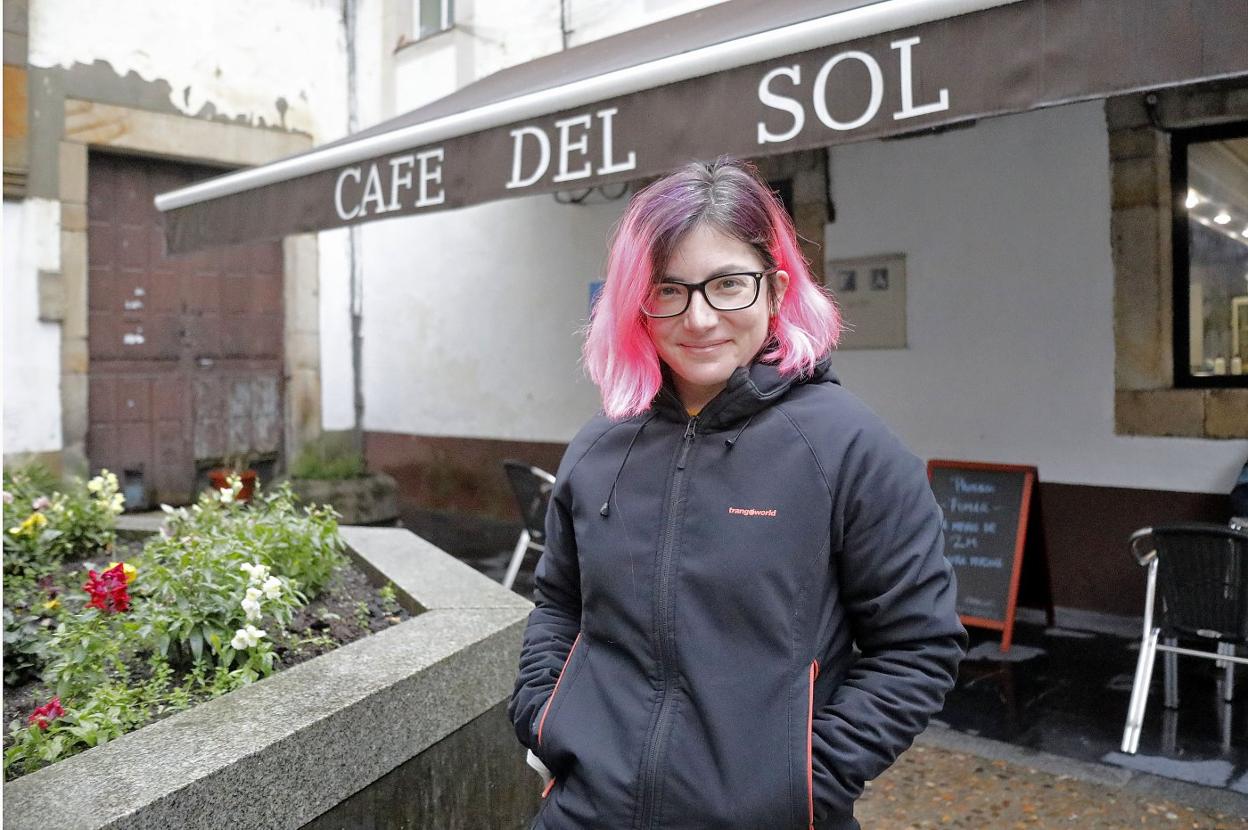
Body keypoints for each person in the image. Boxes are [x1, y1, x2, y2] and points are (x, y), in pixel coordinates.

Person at [508, 157, 967, 830]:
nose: (698, 319)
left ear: (776, 289)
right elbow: (559, 603)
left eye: (728, 284)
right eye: (668, 289)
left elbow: (917, 647)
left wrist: (803, 782)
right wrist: (544, 713)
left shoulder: (849, 450)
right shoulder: (598, 447)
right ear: (636, 301)